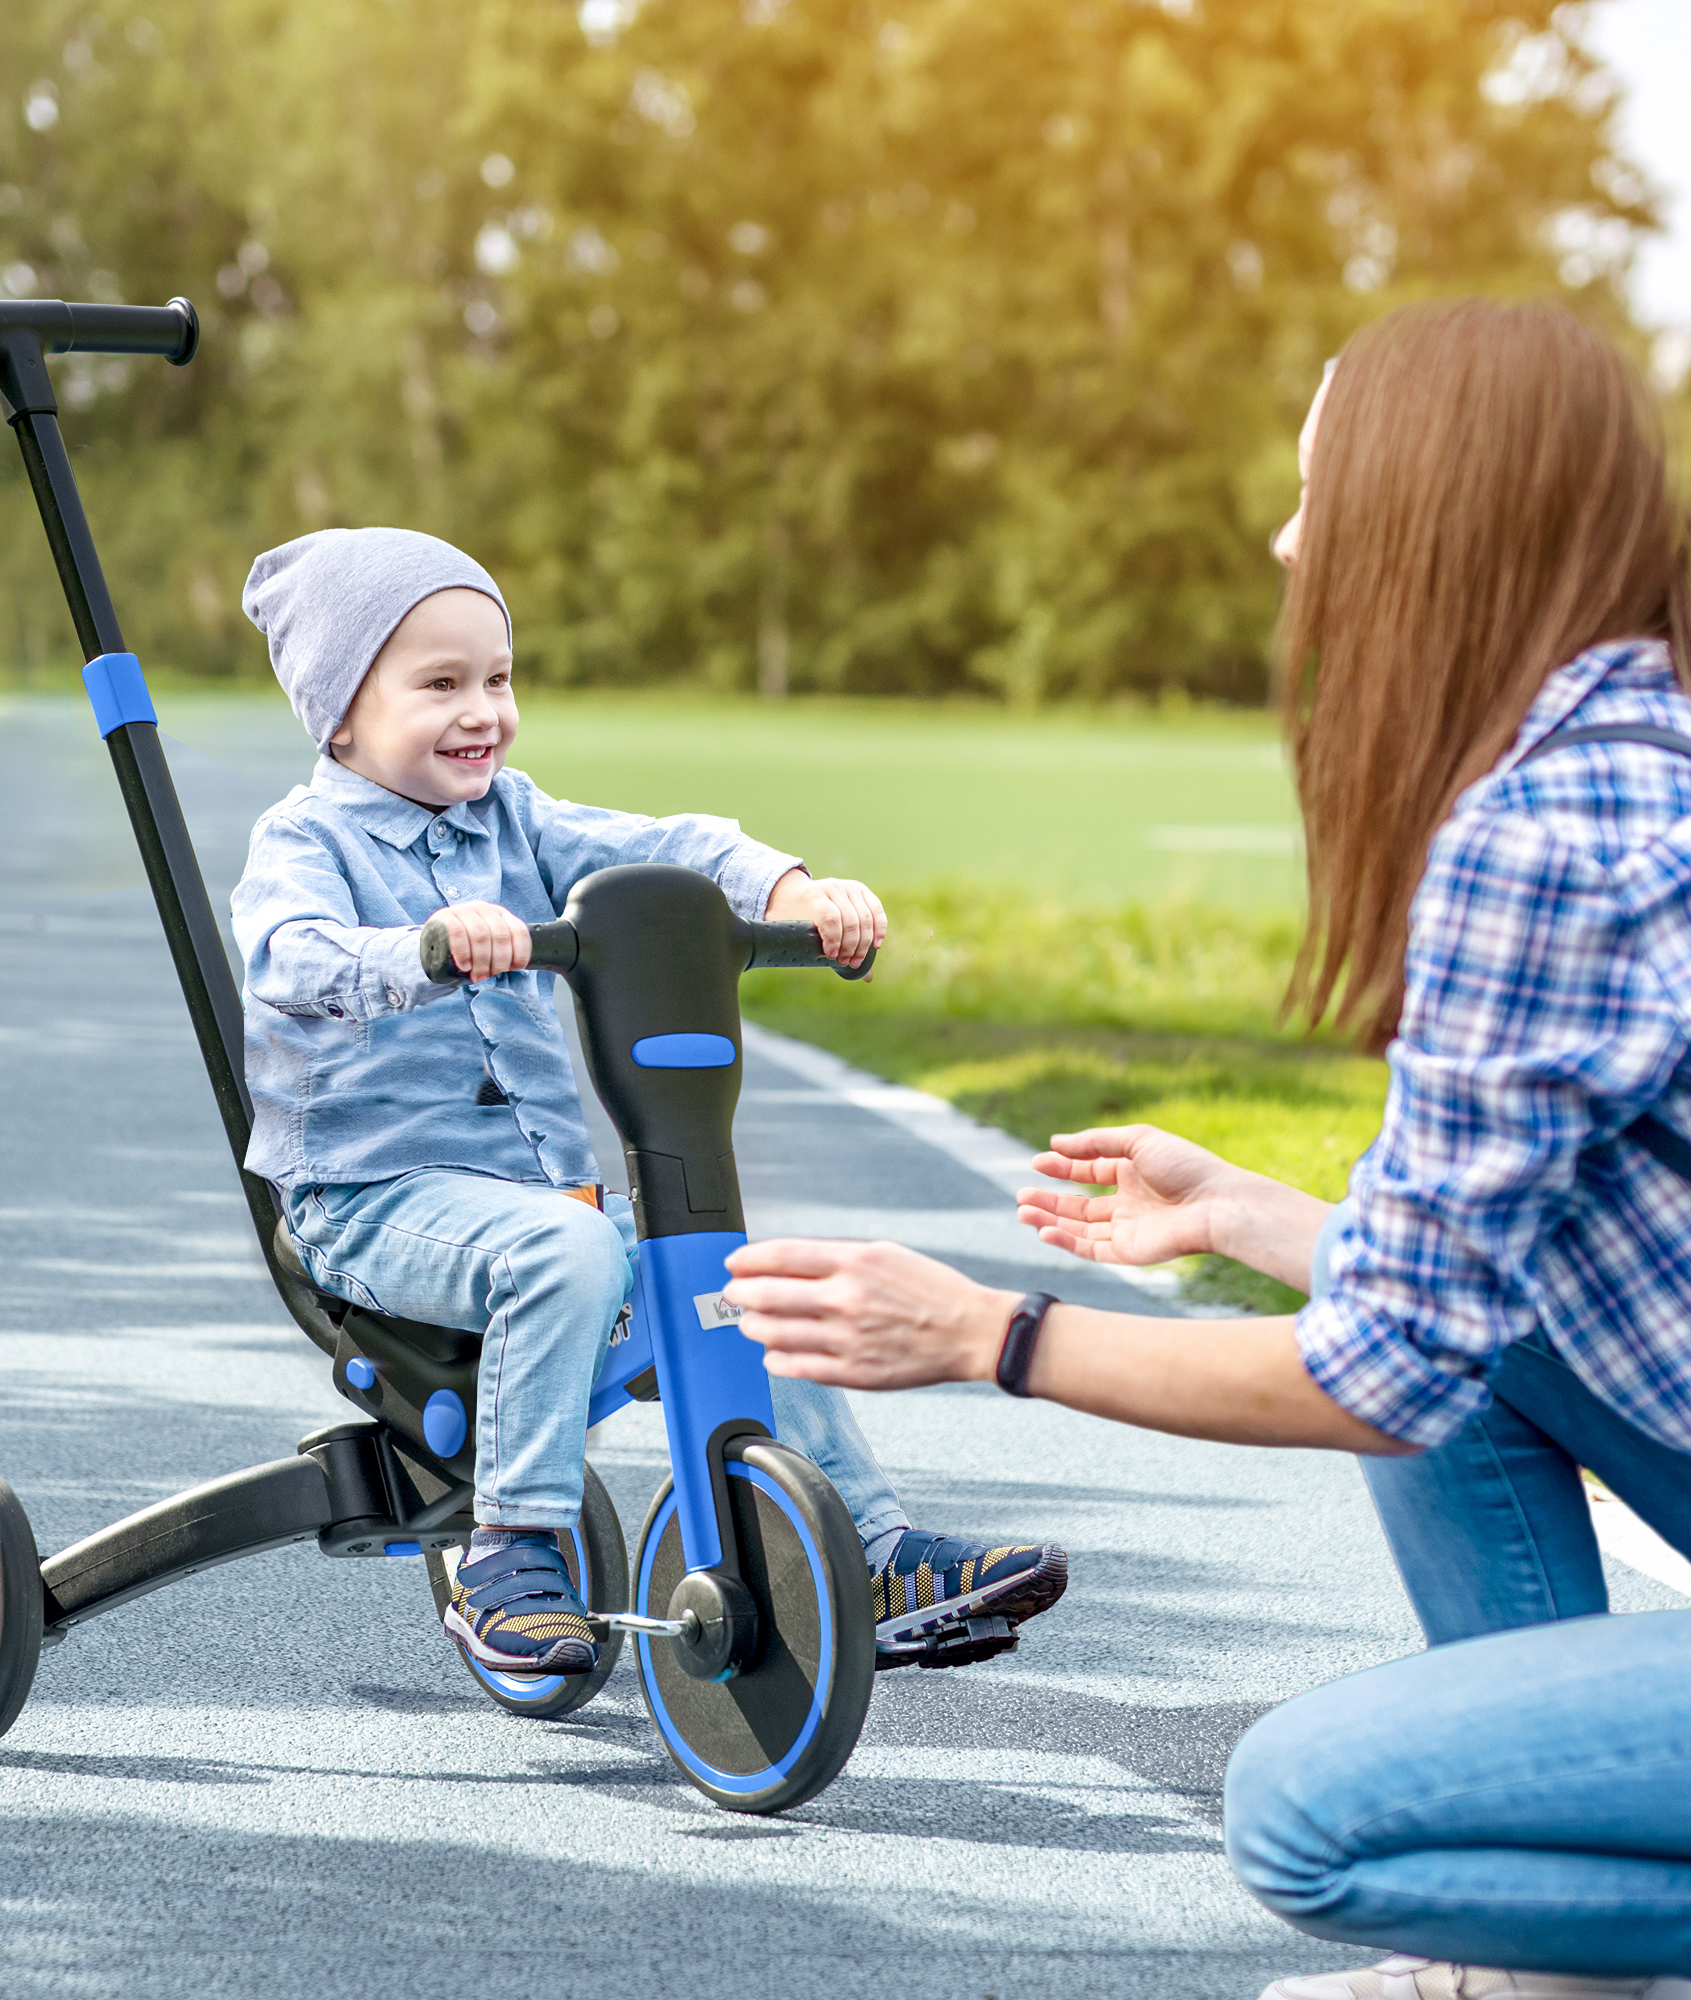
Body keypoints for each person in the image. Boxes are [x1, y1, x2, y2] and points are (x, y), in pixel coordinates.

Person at [720, 301, 1691, 1997]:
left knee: (1311, 1818)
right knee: (1458, 1341)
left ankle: (1539, 1948)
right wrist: (1249, 1210)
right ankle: (1547, 1975)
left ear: (1434, 519)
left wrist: (988, 1339)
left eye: (1323, 493)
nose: (1287, 541)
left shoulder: (1544, 837)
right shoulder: (1631, 754)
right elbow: (1468, 1293)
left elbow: (1376, 1374)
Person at [230, 525, 1067, 1680]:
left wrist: (787, 887)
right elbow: (288, 955)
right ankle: (507, 1548)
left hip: (532, 1206)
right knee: (567, 1248)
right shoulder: (305, 841)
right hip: (367, 1204)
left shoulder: (512, 822)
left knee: (736, 1275)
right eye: (439, 684)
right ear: (338, 715)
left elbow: (662, 847)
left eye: (497, 677)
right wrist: (418, 949)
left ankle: (865, 1553)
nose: (483, 709)